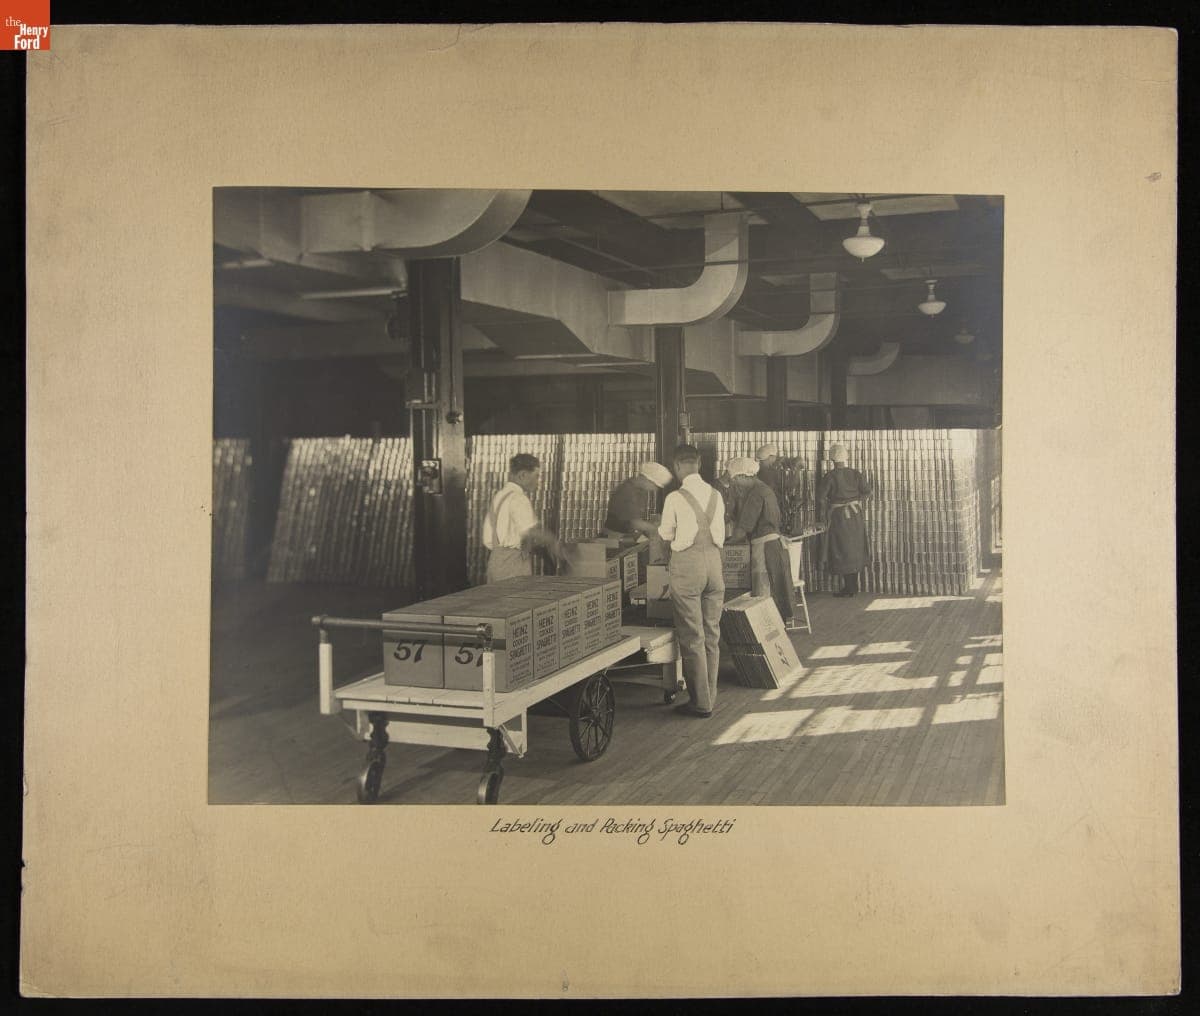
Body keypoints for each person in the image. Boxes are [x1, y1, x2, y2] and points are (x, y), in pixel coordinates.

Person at [658, 444, 726, 718]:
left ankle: (700, 703)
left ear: (676, 467)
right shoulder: (716, 495)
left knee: (692, 635)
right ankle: (709, 695)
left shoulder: (674, 498)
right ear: (699, 464)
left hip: (688, 565)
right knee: (712, 633)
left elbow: (665, 535)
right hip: (714, 565)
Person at [726, 456, 795, 625]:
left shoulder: (756, 494)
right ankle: (779, 625)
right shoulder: (765, 489)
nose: (735, 484)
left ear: (743, 477)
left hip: (764, 547)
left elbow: (743, 530)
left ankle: (769, 626)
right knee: (778, 587)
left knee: (764, 589)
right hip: (774, 544)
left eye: (735, 480)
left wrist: (726, 543)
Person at [482, 453, 565, 583]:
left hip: (496, 561)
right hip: (511, 563)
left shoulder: (501, 495)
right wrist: (554, 543)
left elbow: (515, 530)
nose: (538, 481)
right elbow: (532, 530)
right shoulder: (518, 498)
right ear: (523, 475)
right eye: (536, 476)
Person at [817, 443, 872, 597]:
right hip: (855, 516)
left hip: (839, 517)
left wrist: (824, 515)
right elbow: (868, 492)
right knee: (854, 548)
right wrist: (855, 500)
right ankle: (852, 586)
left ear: (831, 458)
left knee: (841, 549)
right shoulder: (855, 473)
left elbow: (821, 498)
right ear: (846, 457)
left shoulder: (829, 476)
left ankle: (849, 588)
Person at [603, 461, 673, 538]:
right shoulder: (627, 491)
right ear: (646, 479)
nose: (655, 490)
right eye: (655, 486)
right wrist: (661, 530)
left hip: (625, 534)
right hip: (614, 537)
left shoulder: (640, 490)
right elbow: (636, 523)